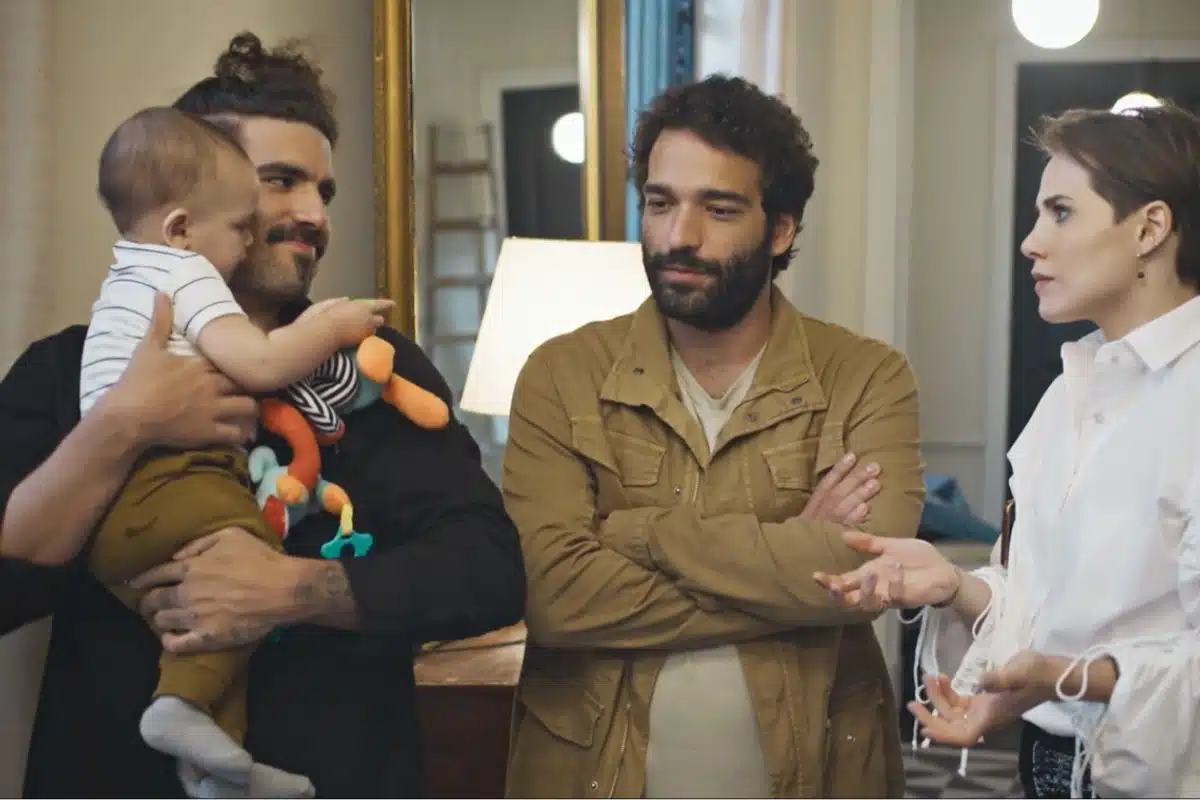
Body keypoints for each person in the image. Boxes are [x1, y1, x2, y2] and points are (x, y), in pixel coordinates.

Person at [0, 32, 525, 798]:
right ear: (187, 208)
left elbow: (488, 571)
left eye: (324, 191)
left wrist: (294, 589)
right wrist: (122, 426)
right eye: (280, 181)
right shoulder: (68, 370)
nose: (312, 214)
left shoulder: (373, 368)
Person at [501, 74, 926, 798]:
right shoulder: (562, 375)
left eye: (718, 209)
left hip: (819, 774)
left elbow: (866, 575)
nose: (679, 237)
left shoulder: (865, 376)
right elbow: (555, 595)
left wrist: (635, 534)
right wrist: (794, 553)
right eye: (660, 203)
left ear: (780, 229)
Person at [817, 104, 1200, 798]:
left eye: (1060, 213)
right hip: (1046, 767)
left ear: (1149, 228)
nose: (1030, 242)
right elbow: (1047, 606)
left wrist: (1067, 676)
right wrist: (955, 586)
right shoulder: (1071, 390)